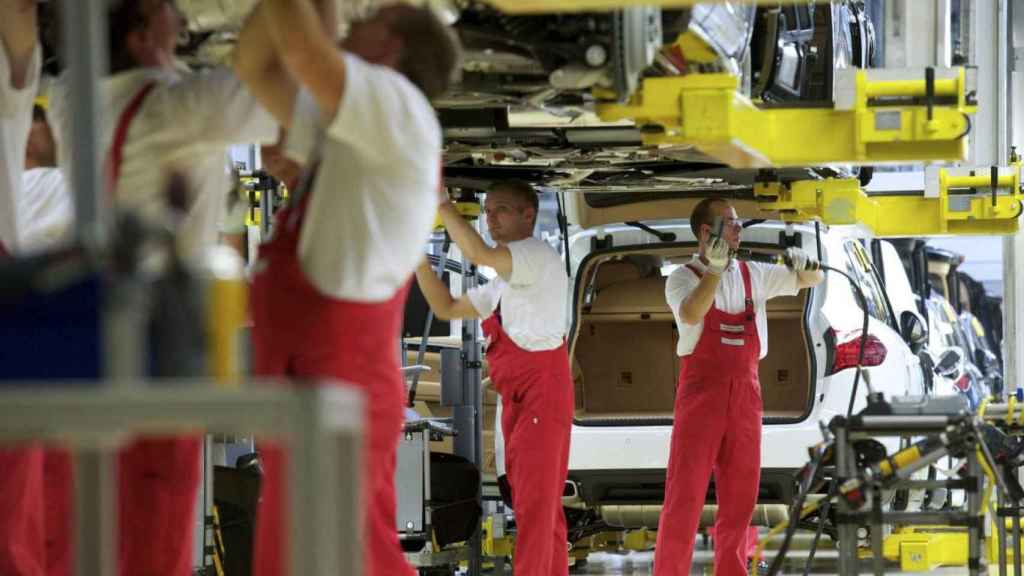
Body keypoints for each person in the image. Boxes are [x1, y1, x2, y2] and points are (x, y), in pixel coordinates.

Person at [43, 1, 279, 573]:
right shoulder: (182, 106)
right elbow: (296, 95)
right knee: (155, 514)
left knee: (84, 518)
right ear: (143, 30)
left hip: (84, 332)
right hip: (160, 337)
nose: (181, 15)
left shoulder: (74, 97)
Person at [233, 1, 460, 575]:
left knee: (341, 559)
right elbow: (258, 66)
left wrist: (312, 18)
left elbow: (306, 51)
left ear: (392, 46)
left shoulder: (396, 105)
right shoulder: (360, 124)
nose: (357, 19)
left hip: (340, 379)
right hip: (317, 375)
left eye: (370, 16)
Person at [654, 198, 824, 576]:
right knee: (684, 496)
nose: (738, 229)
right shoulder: (682, 277)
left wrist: (806, 264)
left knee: (740, 498)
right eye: (730, 223)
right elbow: (691, 313)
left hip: (746, 394)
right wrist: (714, 270)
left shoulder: (753, 274)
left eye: (737, 223)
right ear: (705, 232)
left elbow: (813, 280)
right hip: (701, 396)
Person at [414, 180, 573, 576]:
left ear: (528, 215)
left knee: (536, 510)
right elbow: (447, 306)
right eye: (487, 211)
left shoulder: (535, 255)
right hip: (519, 402)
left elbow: (478, 252)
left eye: (500, 210)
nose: (490, 218)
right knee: (537, 507)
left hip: (542, 397)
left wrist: (443, 204)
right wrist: (417, 261)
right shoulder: (504, 283)